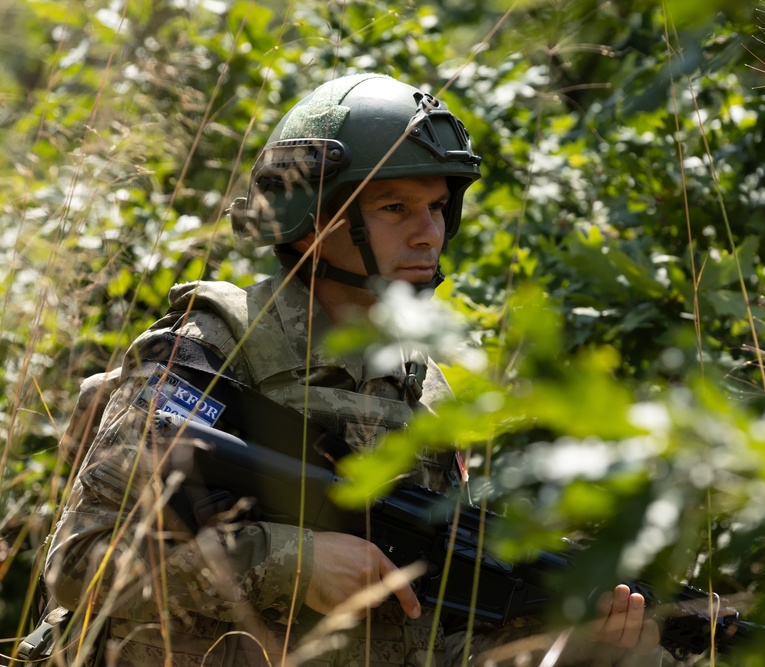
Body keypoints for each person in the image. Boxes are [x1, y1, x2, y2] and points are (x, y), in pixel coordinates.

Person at [38, 73, 661, 667]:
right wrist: (293, 562)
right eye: (395, 207)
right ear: (312, 223)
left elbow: (420, 641)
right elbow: (77, 564)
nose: (428, 235)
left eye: (438, 207)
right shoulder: (207, 354)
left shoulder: (427, 395)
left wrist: (568, 646)